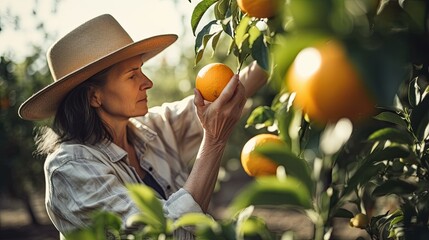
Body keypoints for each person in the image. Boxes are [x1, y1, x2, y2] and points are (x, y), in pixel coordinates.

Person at [18, 14, 267, 239]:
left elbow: (221, 98)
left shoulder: (151, 130)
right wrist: (214, 141)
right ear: (94, 97)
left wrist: (274, 39)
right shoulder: (70, 168)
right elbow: (165, 234)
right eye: (132, 75)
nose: (147, 82)